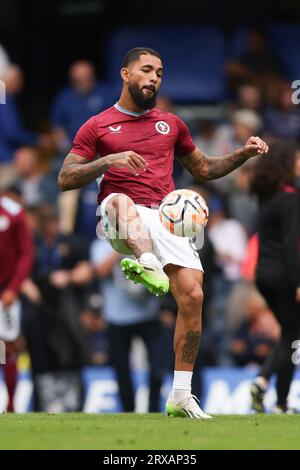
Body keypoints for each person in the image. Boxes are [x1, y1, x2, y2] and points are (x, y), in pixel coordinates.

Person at [58, 47, 268, 419]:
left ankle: (181, 395)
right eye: (146, 70)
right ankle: (147, 262)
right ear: (125, 74)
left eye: (159, 72)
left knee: (193, 295)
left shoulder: (171, 124)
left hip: (164, 217)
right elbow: (65, 178)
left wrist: (242, 155)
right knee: (122, 200)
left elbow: (203, 168)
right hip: (118, 215)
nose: (154, 78)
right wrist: (108, 160)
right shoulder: (98, 125)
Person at [250, 140, 300, 414]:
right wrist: (299, 281)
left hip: (263, 274)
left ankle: (268, 386)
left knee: (289, 336)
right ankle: (276, 397)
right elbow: (292, 244)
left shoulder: (266, 196)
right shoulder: (290, 197)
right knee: (292, 337)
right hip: (283, 275)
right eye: (297, 159)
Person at [91, 237, 163, 412]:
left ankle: (153, 408)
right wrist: (120, 249)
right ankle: (128, 410)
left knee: (157, 367)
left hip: (147, 314)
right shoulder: (101, 245)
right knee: (121, 368)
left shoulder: (146, 241)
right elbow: (100, 271)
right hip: (117, 317)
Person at [0, 188, 34, 411]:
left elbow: (26, 252)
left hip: (6, 294)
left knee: (7, 346)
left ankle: (11, 404)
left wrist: (13, 287)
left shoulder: (13, 212)